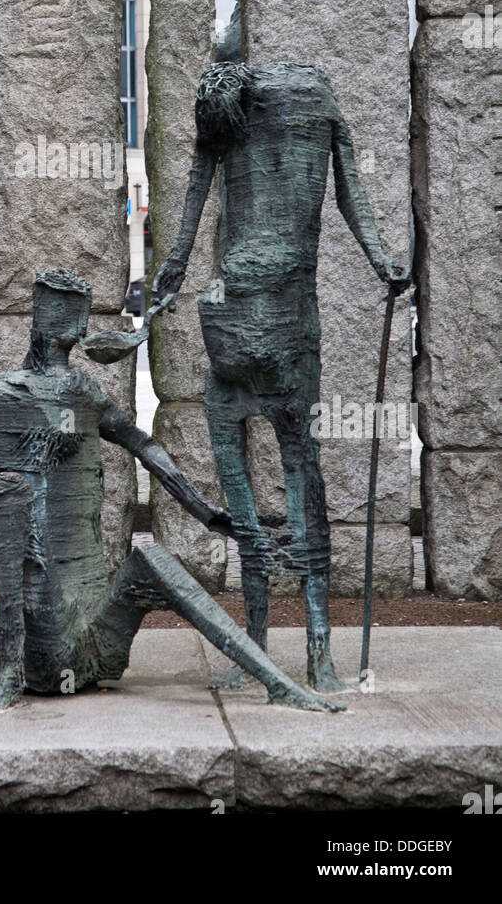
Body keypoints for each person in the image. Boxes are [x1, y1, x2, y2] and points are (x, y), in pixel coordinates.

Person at [0, 268, 342, 715]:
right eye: (66, 309)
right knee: (10, 492)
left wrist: (206, 513)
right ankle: (10, 675)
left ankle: (276, 683)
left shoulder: (85, 391)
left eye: (78, 312)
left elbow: (142, 442)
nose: (77, 324)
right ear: (43, 314)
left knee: (149, 562)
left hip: (95, 640)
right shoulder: (4, 394)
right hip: (43, 646)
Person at [151, 60, 409, 691]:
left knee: (282, 475)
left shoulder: (239, 100)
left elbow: (196, 192)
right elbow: (349, 191)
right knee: (296, 469)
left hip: (255, 317)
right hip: (261, 319)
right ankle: (288, 649)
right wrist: (381, 260)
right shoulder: (287, 100)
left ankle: (289, 646)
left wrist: (175, 269)